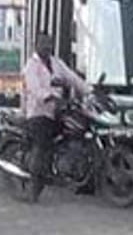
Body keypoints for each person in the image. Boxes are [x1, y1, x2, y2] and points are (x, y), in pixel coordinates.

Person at [22, 32, 87, 178]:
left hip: (57, 112)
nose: (47, 47)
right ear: (36, 45)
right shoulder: (31, 66)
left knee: (75, 131)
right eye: (43, 44)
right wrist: (50, 97)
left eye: (49, 44)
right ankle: (34, 181)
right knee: (42, 144)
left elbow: (73, 78)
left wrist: (89, 91)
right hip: (38, 113)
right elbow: (35, 89)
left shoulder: (57, 63)